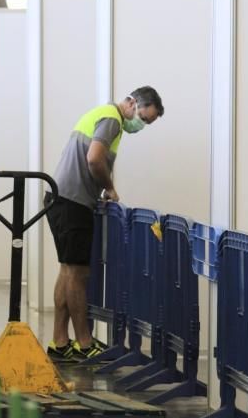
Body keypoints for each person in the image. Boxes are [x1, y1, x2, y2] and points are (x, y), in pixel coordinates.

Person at [45, 86, 164, 361]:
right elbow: (94, 158)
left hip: (61, 198)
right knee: (77, 274)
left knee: (67, 270)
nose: (142, 126)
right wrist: (109, 188)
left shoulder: (103, 115)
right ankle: (85, 344)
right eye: (144, 119)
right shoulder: (112, 119)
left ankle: (60, 342)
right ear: (132, 103)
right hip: (72, 202)